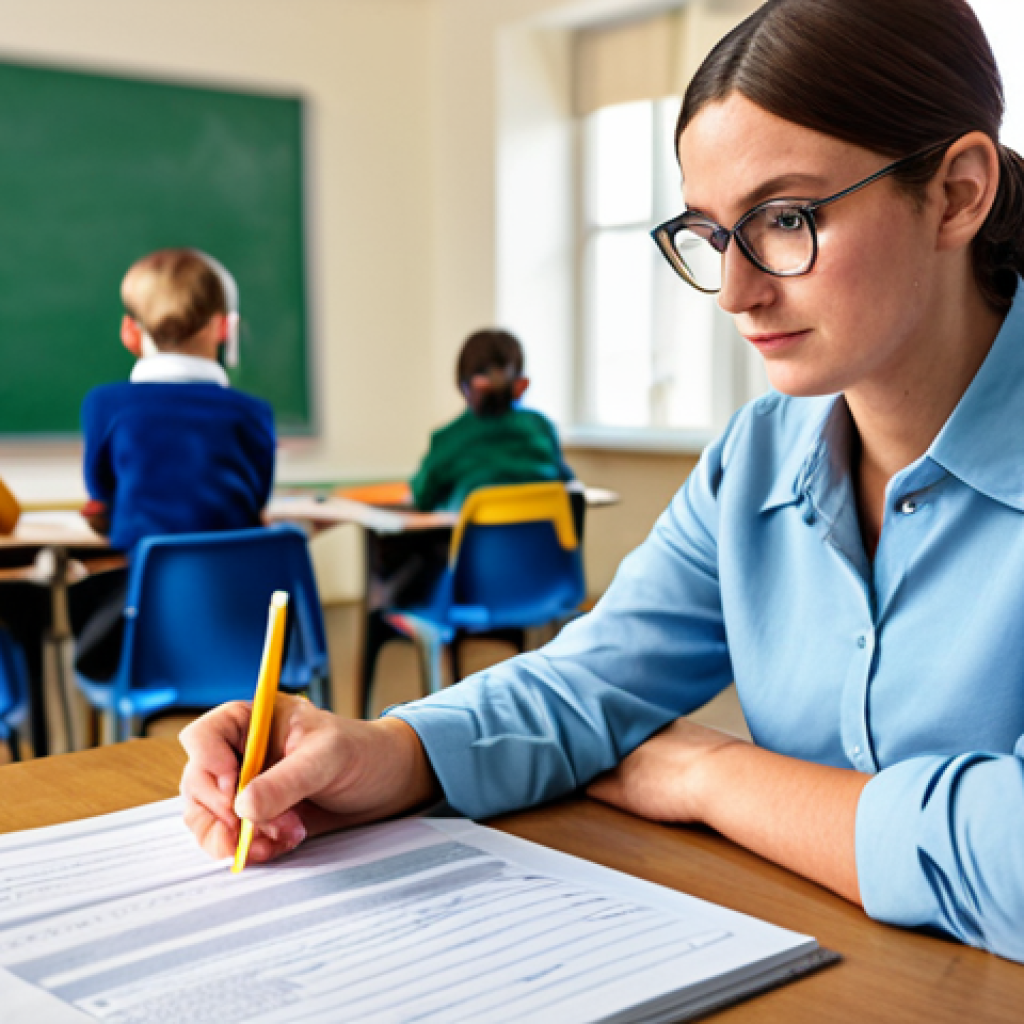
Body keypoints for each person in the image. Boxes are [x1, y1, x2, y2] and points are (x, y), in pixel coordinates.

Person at [180, 0, 1024, 963]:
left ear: (958, 194)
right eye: (712, 235)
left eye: (786, 219)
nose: (739, 293)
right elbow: (592, 685)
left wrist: (712, 776)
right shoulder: (757, 455)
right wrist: (387, 754)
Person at [73, 248, 275, 678]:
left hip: (148, 631)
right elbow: (256, 495)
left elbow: (101, 492)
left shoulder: (105, 405)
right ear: (223, 327)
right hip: (247, 630)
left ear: (131, 332)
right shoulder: (252, 413)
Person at [409, 328, 573, 511]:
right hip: (546, 540)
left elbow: (422, 496)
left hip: (474, 540)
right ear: (520, 384)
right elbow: (567, 482)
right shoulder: (541, 427)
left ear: (463, 384)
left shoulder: (449, 439)